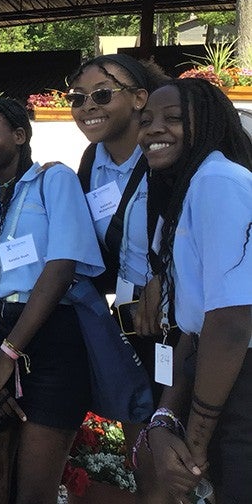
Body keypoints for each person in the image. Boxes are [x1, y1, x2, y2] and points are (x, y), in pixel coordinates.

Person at [0, 98, 104, 504]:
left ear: (20, 136)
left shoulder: (54, 181)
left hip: (47, 340)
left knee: (34, 490)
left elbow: (60, 269)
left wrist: (8, 357)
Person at [65, 53, 174, 502]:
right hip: (128, 309)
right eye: (77, 98)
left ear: (139, 98)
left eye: (102, 94)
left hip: (177, 311)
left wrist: (162, 278)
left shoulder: (166, 151)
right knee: (140, 428)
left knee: (180, 430)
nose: (88, 106)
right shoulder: (93, 159)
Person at [140, 79, 252, 503]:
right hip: (217, 377)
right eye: (146, 120)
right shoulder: (192, 187)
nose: (153, 129)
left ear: (207, 123)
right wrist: (166, 417)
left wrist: (197, 441)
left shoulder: (218, 181)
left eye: (172, 118)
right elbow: (197, 325)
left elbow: (230, 323)